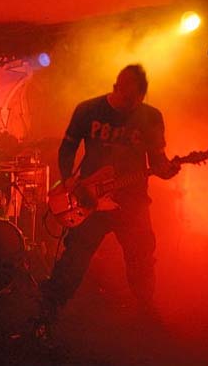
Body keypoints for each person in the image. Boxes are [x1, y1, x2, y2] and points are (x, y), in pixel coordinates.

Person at [35, 64, 180, 341]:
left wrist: (168, 170)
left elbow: (157, 161)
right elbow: (67, 148)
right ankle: (48, 310)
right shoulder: (89, 110)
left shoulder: (151, 117)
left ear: (142, 95)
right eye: (126, 97)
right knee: (74, 259)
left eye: (135, 100)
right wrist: (69, 180)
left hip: (133, 201)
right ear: (116, 87)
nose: (130, 104)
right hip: (91, 198)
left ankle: (145, 311)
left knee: (141, 258)